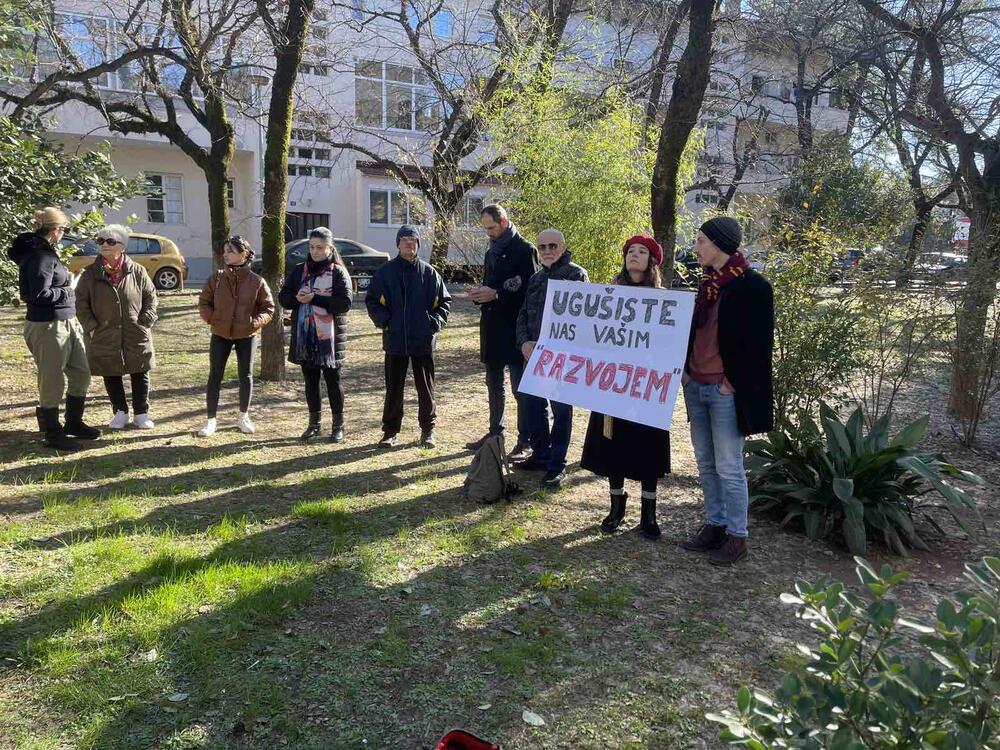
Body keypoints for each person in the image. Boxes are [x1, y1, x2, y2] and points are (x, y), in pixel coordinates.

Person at [680, 217, 774, 566]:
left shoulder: (753, 287)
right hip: (696, 385)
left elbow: (759, 346)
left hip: (724, 391)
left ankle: (737, 537)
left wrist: (731, 383)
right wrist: (686, 373)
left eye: (702, 241)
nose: (696, 247)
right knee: (705, 463)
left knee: (729, 466)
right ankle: (715, 525)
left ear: (719, 244)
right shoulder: (706, 285)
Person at [581, 235, 671, 540]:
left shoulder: (663, 300)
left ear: (651, 260)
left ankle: (649, 514)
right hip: (613, 384)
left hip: (645, 385)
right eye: (630, 251)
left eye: (641, 251)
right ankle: (616, 506)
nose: (634, 255)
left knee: (647, 445)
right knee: (613, 443)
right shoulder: (611, 294)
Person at [9, 207, 100, 450]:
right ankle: (52, 432)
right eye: (63, 229)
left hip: (66, 321)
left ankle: (73, 423)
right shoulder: (39, 256)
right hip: (48, 325)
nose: (63, 234)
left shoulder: (46, 252)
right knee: (52, 380)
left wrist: (65, 291)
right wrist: (68, 288)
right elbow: (37, 294)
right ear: (56, 230)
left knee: (81, 372)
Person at [514, 229, 589, 488]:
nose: (547, 251)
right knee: (533, 407)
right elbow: (522, 314)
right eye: (542, 247)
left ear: (563, 246)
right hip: (533, 356)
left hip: (561, 358)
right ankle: (540, 454)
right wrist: (523, 342)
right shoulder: (535, 279)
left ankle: (557, 465)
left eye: (552, 246)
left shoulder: (576, 275)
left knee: (561, 411)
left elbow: (581, 320)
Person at [365, 225, 451, 448]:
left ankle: (428, 430)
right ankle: (390, 432)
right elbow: (372, 300)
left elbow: (444, 302)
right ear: (397, 244)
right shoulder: (385, 272)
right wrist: (386, 322)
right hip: (394, 341)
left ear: (418, 245)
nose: (409, 244)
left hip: (422, 341)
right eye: (404, 240)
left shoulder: (430, 273)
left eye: (413, 240)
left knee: (426, 387)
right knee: (394, 388)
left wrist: (432, 324)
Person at [466, 204, 538, 459]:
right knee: (493, 384)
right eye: (485, 228)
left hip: (516, 330)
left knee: (520, 388)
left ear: (505, 222)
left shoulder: (525, 249)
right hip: (493, 328)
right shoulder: (491, 251)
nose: (488, 233)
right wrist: (480, 295)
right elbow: (491, 285)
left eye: (492, 228)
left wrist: (496, 294)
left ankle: (525, 440)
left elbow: (531, 292)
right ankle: (496, 433)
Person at [75, 224, 158, 430]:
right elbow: (80, 303)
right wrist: (91, 327)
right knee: (110, 370)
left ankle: (141, 412)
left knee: (140, 369)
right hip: (103, 331)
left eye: (110, 241)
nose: (104, 245)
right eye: (101, 241)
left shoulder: (137, 271)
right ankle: (120, 412)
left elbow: (150, 297)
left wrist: (146, 320)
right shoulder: (89, 274)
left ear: (123, 246)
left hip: (135, 329)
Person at [279, 227, 353, 443]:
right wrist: (297, 299)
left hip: (330, 340)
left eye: (320, 247)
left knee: (332, 381)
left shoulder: (338, 272)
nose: (315, 252)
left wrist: (314, 299)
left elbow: (344, 303)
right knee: (310, 381)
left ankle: (338, 425)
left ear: (330, 248)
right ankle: (314, 424)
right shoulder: (299, 271)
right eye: (312, 247)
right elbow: (284, 297)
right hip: (305, 336)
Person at [196, 236, 274, 437]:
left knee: (245, 376)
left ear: (244, 254)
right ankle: (211, 420)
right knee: (215, 375)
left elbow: (268, 308)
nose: (225, 254)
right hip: (220, 333)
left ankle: (243, 417)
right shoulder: (217, 278)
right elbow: (204, 301)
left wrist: (254, 323)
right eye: (224, 251)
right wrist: (212, 318)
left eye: (230, 251)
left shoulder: (257, 282)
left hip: (246, 335)